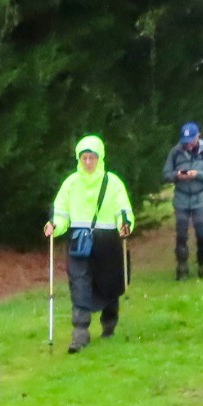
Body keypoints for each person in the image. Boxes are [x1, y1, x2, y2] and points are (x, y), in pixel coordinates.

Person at [44, 135, 134, 353]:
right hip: (79, 241)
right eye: (83, 158)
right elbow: (61, 212)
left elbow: (123, 209)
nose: (87, 162)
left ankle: (109, 323)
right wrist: (55, 225)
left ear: (99, 157)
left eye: (91, 157)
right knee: (79, 282)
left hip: (108, 241)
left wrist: (125, 224)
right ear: (78, 159)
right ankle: (80, 333)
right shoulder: (70, 183)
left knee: (109, 282)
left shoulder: (113, 182)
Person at [163, 122, 203, 279]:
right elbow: (166, 174)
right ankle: (182, 267)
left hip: (201, 197)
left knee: (202, 233)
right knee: (181, 234)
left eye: (191, 140)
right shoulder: (175, 152)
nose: (188, 144)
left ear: (198, 136)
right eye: (185, 141)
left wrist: (197, 174)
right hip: (182, 197)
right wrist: (177, 175)